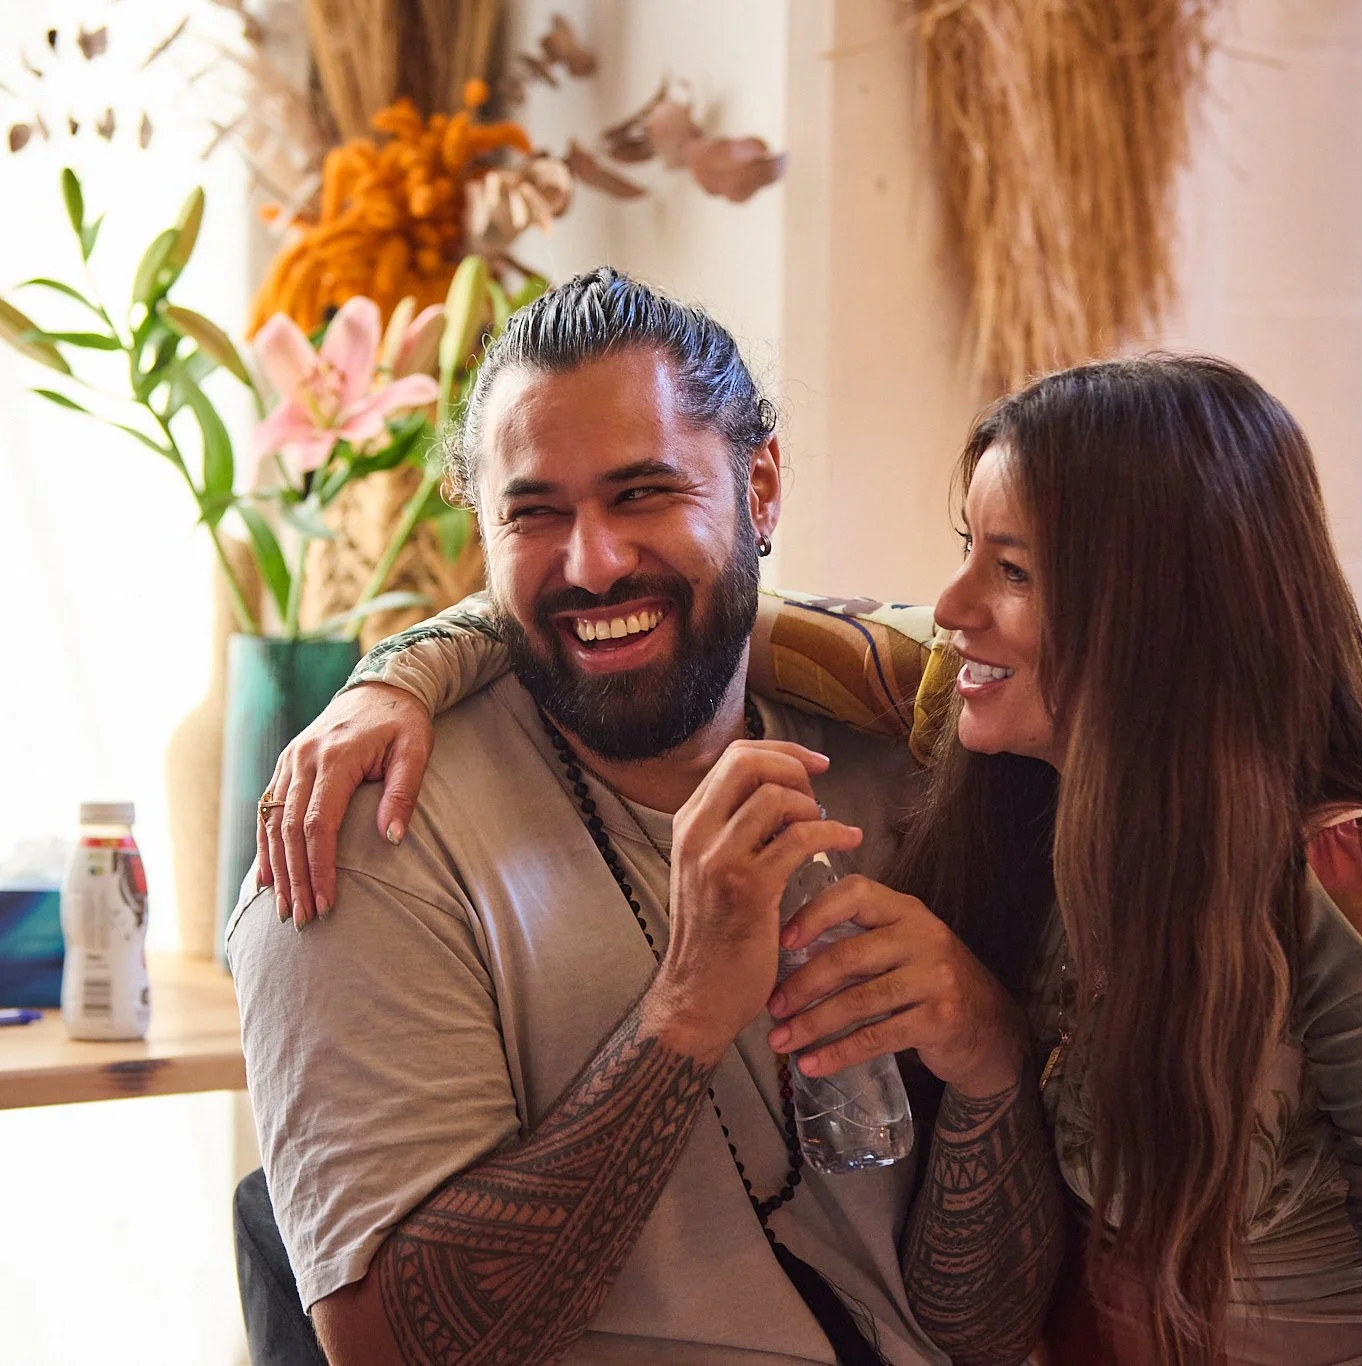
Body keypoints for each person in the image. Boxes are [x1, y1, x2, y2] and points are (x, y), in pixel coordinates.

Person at [266, 354, 1362, 1365]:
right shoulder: (1006, 760)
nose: (949, 609)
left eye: (1012, 568)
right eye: (964, 552)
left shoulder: (1344, 875)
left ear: (1154, 607)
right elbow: (631, 604)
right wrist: (399, 673)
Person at [228, 267, 1065, 1366]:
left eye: (642, 494)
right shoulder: (367, 830)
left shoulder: (909, 756)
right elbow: (383, 1348)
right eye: (533, 512)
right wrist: (681, 1012)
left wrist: (988, 1054)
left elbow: (987, 1329)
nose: (594, 561)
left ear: (759, 491)